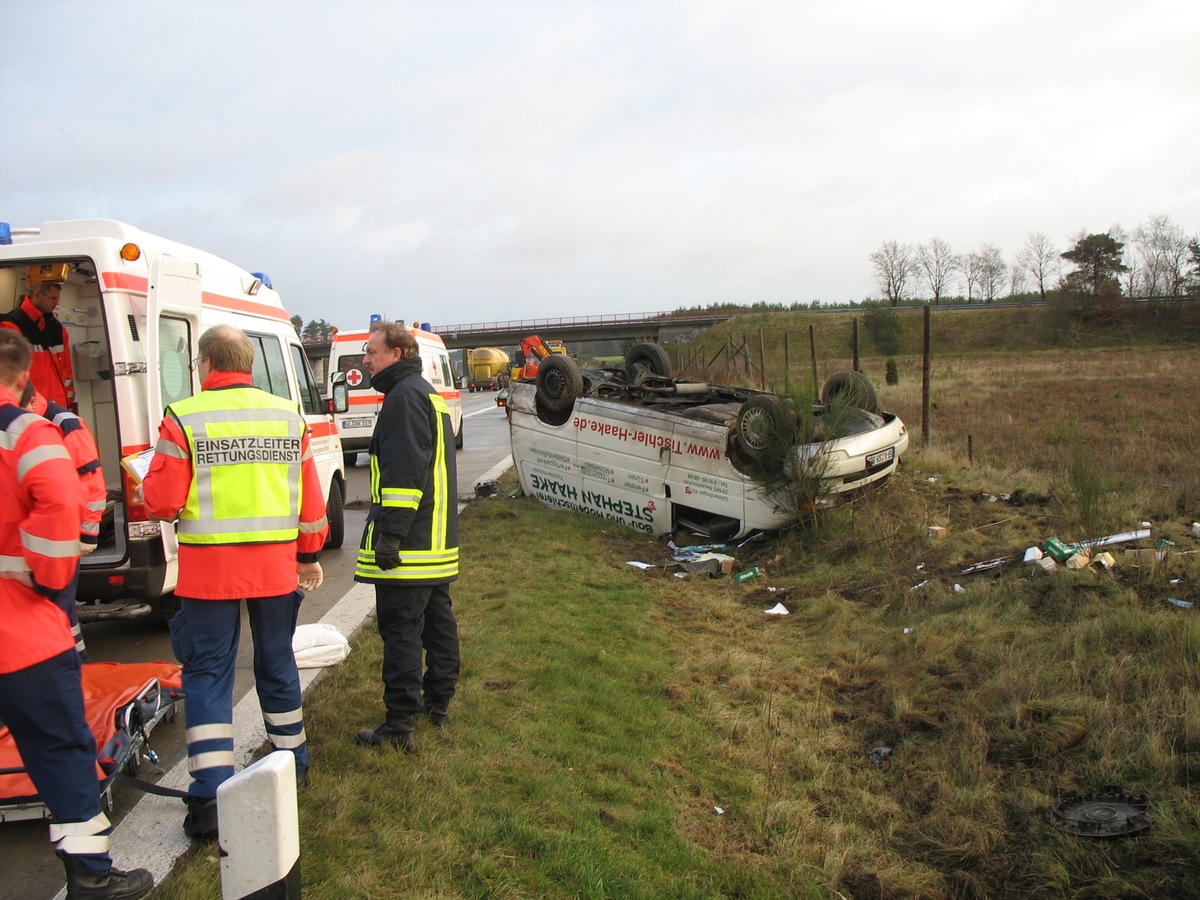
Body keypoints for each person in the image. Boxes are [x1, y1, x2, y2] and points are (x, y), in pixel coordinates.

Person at [141, 325, 328, 841]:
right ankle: (294, 764)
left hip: (209, 574)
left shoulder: (184, 417)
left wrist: (145, 478)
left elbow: (160, 502)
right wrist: (307, 555)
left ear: (204, 363)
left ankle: (210, 798)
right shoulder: (287, 416)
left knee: (208, 677)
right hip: (274, 570)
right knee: (276, 664)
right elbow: (310, 503)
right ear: (249, 363)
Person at [0, 330, 153, 900]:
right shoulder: (27, 432)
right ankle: (91, 876)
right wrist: (49, 577)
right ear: (22, 379)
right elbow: (64, 502)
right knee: (60, 746)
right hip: (19, 633)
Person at [354, 322, 461, 753]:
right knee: (438, 625)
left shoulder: (402, 399)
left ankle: (400, 725)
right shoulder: (426, 393)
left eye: (371, 352)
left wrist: (390, 538)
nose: (365, 359)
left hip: (409, 546)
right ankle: (437, 704)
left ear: (396, 354)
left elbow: (403, 476)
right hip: (435, 543)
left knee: (400, 630)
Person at [21, 382, 107, 661]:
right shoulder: (26, 421)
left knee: (60, 607)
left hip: (63, 532)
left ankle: (74, 665)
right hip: (35, 531)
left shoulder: (64, 423)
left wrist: (87, 534)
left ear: (33, 402)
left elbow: (91, 479)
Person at [0, 270, 76, 410]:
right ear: (36, 295)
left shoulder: (58, 329)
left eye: (58, 299)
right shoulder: (12, 326)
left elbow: (67, 370)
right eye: (53, 299)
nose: (56, 303)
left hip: (58, 407)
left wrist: (69, 402)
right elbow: (8, 376)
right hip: (32, 409)